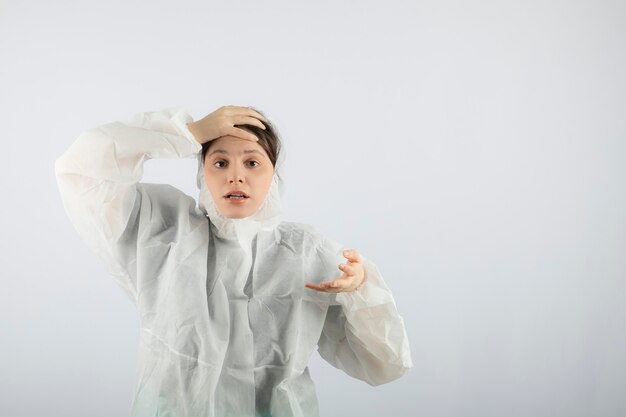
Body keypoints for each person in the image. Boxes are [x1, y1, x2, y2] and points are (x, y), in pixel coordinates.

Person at [55, 105, 413, 417]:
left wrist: (362, 292)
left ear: (274, 175)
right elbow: (80, 171)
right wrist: (188, 133)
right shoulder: (162, 232)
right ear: (203, 173)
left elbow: (384, 364)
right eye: (220, 162)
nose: (235, 175)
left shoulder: (308, 252)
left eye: (253, 162)